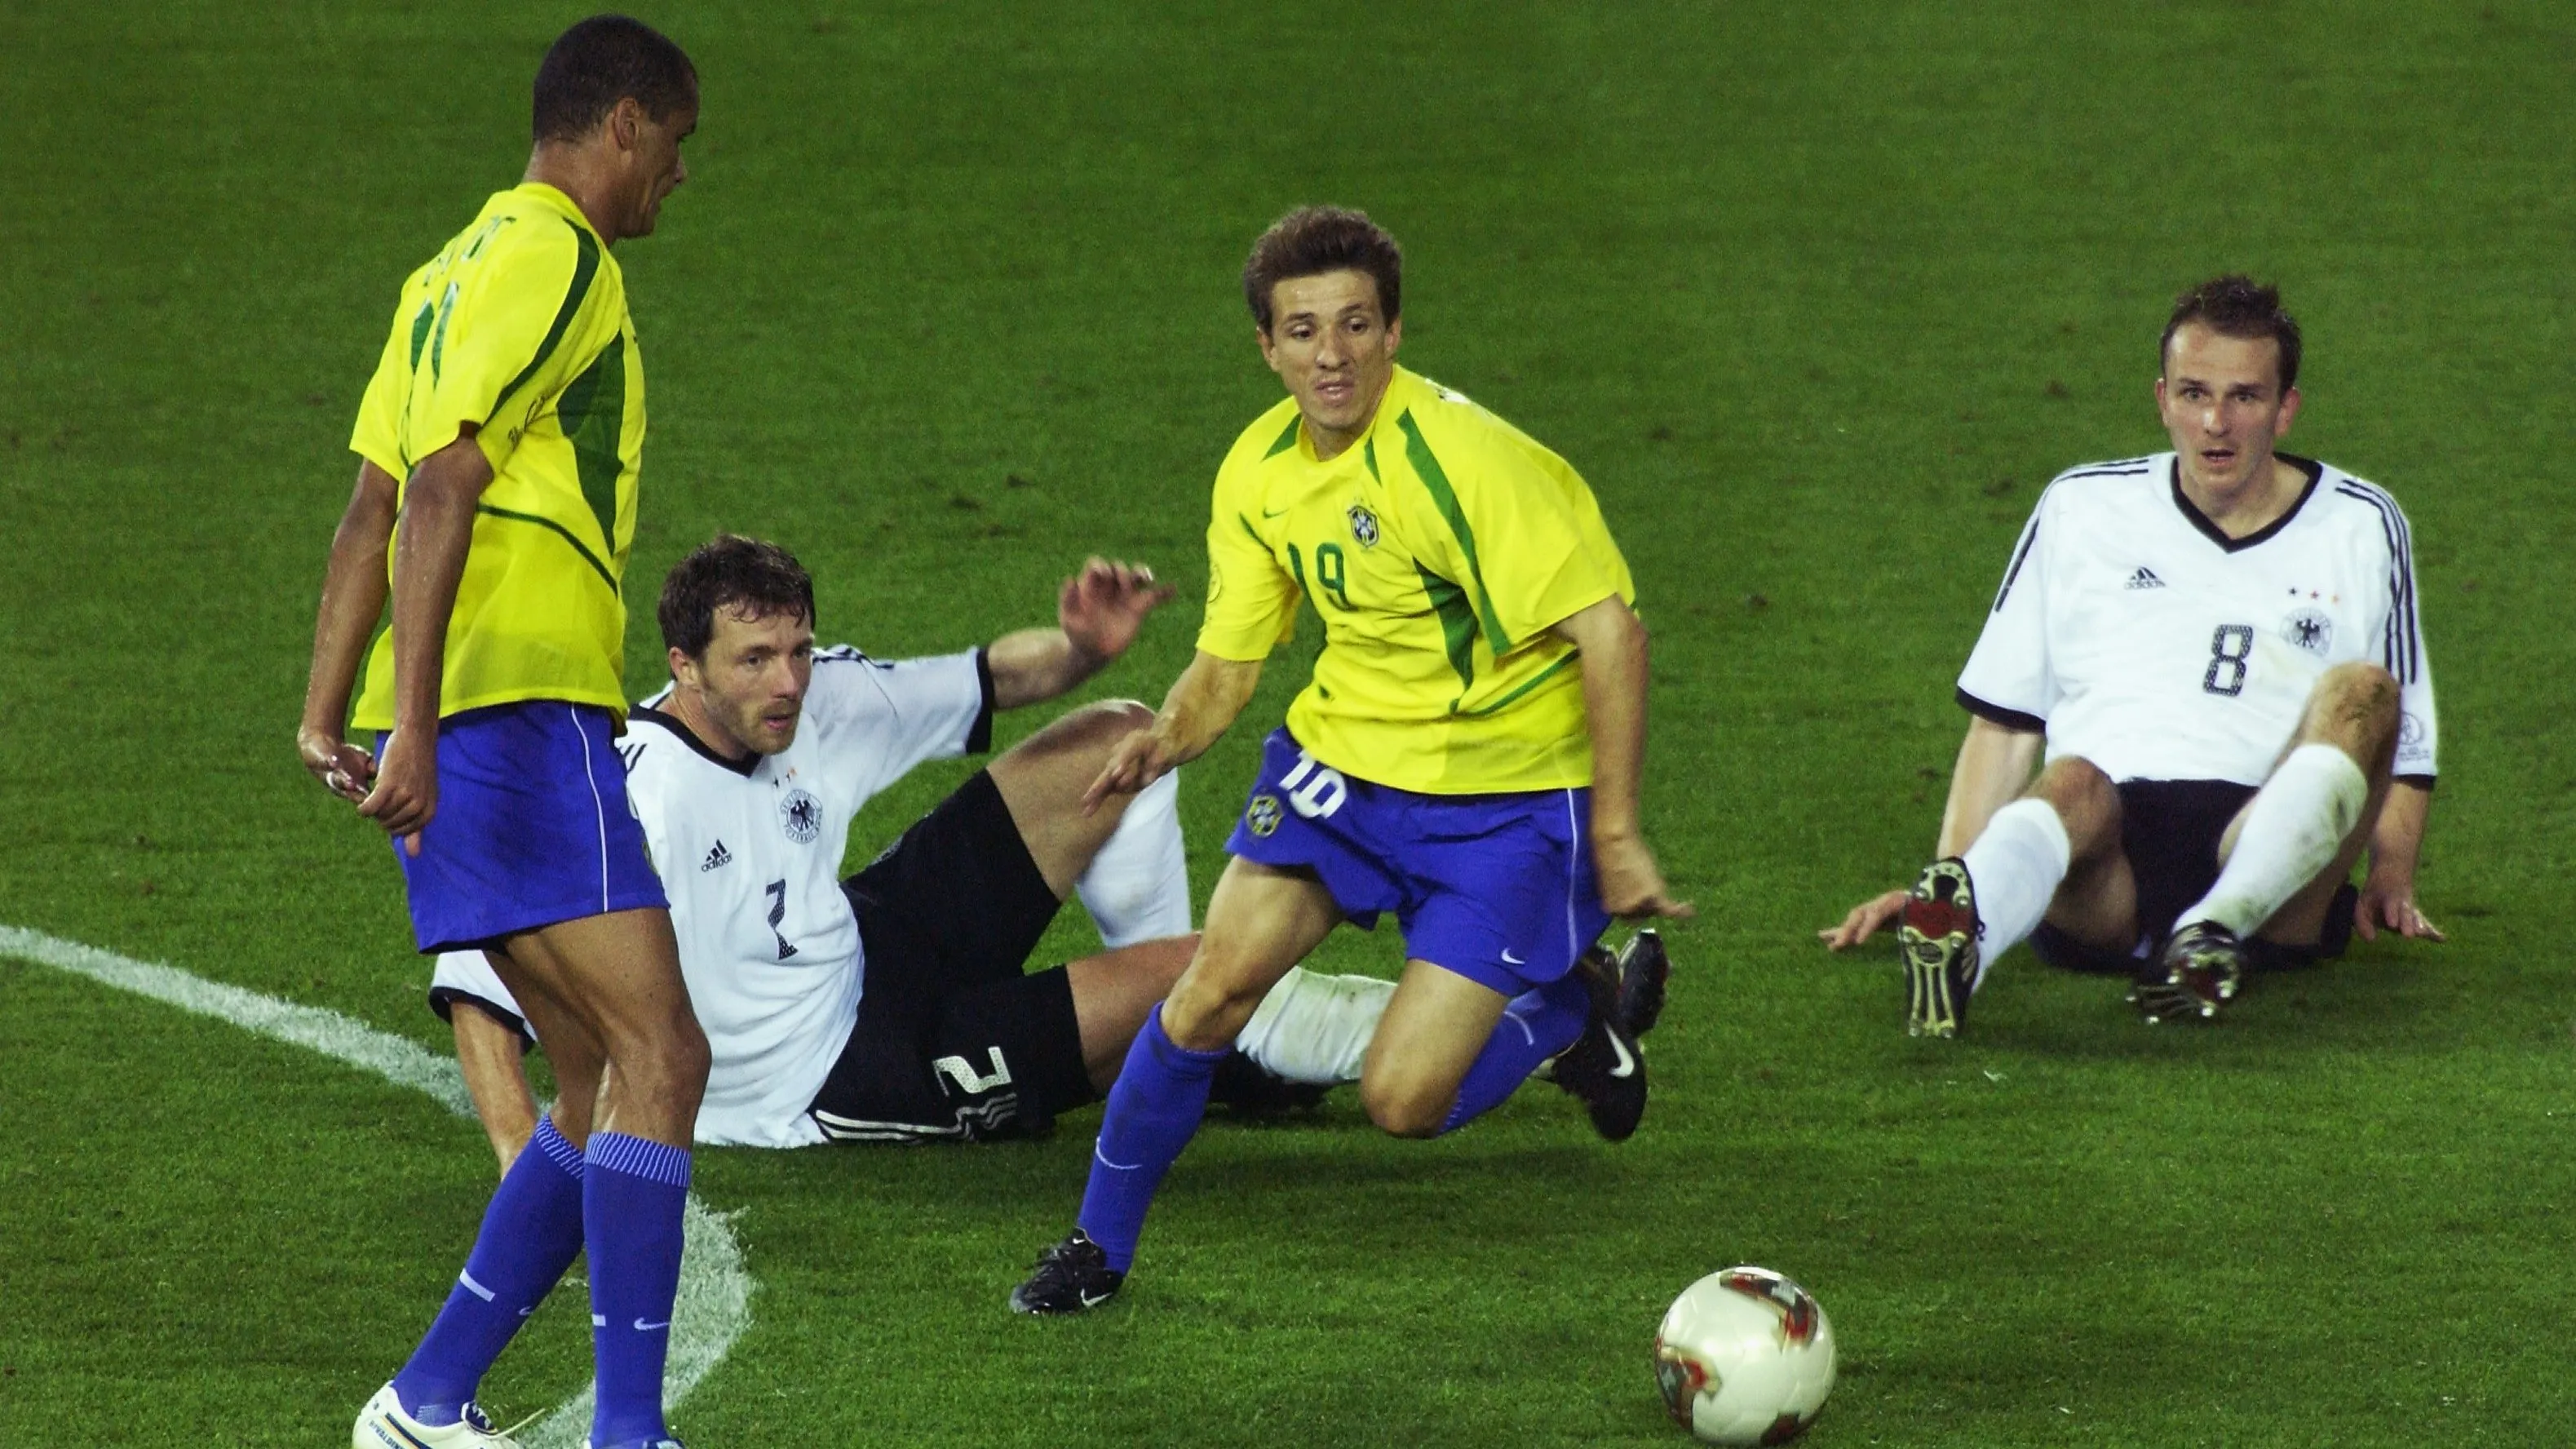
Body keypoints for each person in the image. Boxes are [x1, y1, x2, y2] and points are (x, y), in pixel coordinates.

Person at [1010, 206, 1687, 1316]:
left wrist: (1610, 828)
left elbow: (1612, 633)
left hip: (1503, 805)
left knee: (1404, 1099)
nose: (1331, 355)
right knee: (1205, 996)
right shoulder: (1258, 471)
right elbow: (1228, 664)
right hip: (1342, 780)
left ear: (1394, 333)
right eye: (1303, 330)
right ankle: (1097, 1245)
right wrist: (1165, 736)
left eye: (1355, 326)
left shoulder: (1467, 464)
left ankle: (1570, 1017)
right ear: (1266, 347)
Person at [427, 534, 1410, 1170]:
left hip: (868, 940)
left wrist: (1079, 653)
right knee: (1195, 970)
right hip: (831, 1075)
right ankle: (1451, 1036)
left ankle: (1188, 1055)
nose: (788, 684)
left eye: (799, 651)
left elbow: (985, 682)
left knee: (1119, 737)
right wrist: (524, 1160)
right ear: (682, 668)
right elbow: (479, 968)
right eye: (755, 661)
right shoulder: (632, 792)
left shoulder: (814, 700)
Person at [294, 18, 704, 1449]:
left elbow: (368, 505)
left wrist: (323, 709)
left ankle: (424, 1400)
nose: (674, 182)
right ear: (625, 128)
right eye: (676, 149)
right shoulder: (557, 258)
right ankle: (630, 1434)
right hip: (509, 706)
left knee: (593, 1077)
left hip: (464, 713)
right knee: (663, 1051)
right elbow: (448, 482)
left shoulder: (440, 272)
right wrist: (406, 726)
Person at [1821, 276, 2441, 1035]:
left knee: (2365, 687)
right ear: (2161, 399)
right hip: (2105, 857)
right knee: (2072, 779)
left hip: (2277, 845)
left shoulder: (2363, 522)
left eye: (2245, 397)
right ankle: (1962, 949)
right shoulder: (2080, 507)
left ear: (2286, 408)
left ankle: (2212, 932)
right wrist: (1950, 884)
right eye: (2194, 393)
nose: (2216, 422)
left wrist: (2392, 873)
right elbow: (2006, 724)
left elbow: (2400, 735)